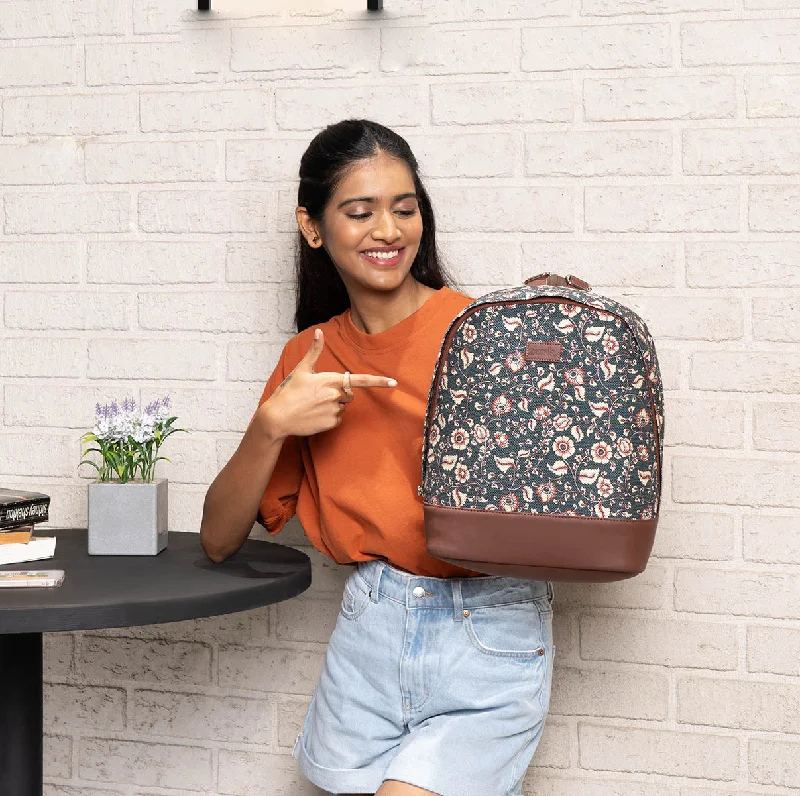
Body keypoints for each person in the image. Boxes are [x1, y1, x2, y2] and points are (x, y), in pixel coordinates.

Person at [200, 119, 555, 796]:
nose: (388, 231)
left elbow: (550, 502)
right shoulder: (308, 359)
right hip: (368, 635)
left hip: (486, 629)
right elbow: (219, 540)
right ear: (312, 227)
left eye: (405, 208)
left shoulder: (481, 335)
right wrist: (272, 426)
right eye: (360, 212)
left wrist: (550, 339)